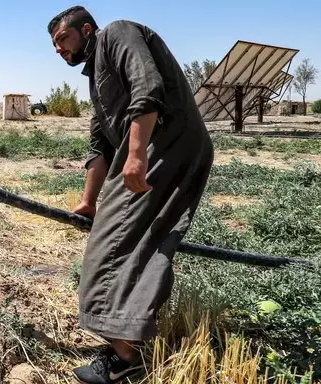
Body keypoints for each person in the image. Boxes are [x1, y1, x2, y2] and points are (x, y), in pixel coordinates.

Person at [47, 6, 214, 383]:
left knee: (107, 249)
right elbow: (100, 147)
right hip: (166, 147)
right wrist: (89, 203)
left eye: (63, 39)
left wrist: (137, 154)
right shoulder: (98, 78)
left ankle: (125, 357)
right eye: (54, 45)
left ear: (86, 29)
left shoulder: (117, 33)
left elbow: (148, 87)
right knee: (140, 242)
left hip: (163, 145)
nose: (58, 50)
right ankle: (128, 343)